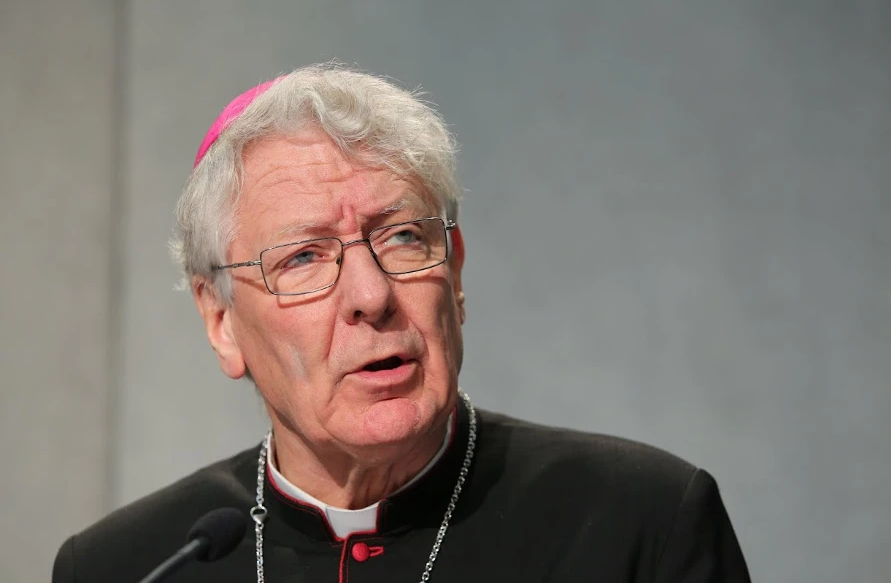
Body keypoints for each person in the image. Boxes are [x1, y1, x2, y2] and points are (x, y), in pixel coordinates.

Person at [52, 64, 751, 582]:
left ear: (457, 269)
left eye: (404, 239)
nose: (370, 295)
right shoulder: (127, 567)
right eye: (302, 257)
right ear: (221, 321)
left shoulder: (641, 522)